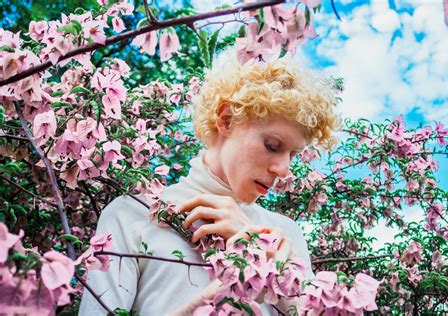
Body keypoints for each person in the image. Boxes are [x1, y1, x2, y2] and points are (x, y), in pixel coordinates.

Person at [78, 48, 339, 315]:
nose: (284, 169)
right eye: (273, 145)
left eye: (293, 154)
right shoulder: (131, 213)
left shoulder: (284, 233)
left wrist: (265, 256)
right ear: (226, 120)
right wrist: (222, 296)